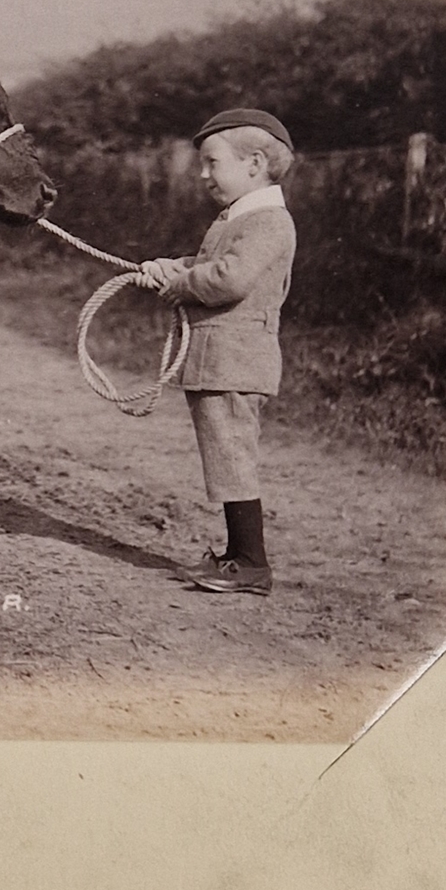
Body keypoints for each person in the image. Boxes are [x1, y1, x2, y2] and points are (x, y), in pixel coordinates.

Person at [138, 108, 299, 595]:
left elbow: (230, 278)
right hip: (217, 361)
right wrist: (171, 267)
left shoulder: (269, 222)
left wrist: (181, 283)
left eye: (212, 163)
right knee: (223, 457)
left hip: (235, 362)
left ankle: (251, 563)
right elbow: (211, 264)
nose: (204, 175)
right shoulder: (239, 218)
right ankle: (236, 556)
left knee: (232, 457)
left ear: (254, 164)